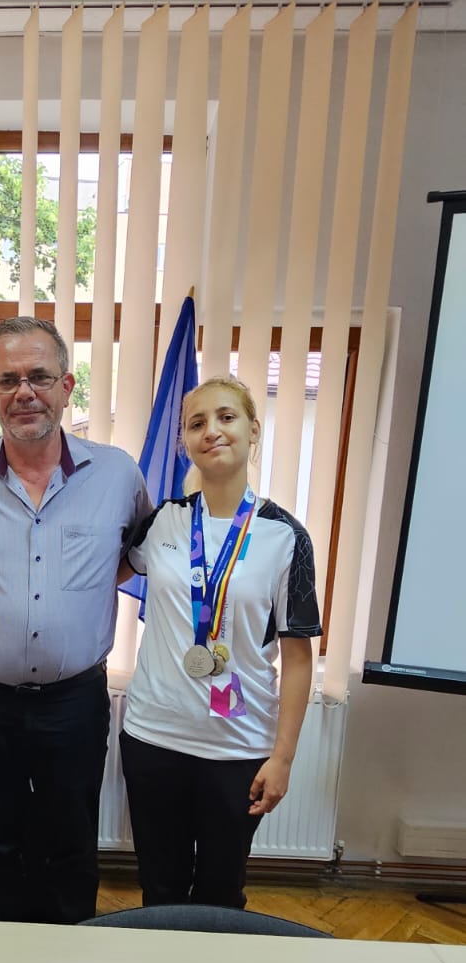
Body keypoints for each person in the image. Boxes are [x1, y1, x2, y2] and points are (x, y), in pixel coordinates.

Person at [0, 316, 150, 924]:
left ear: (67, 386)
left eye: (39, 377)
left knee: (70, 844)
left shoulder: (118, 474)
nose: (24, 392)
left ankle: (69, 958)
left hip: (74, 700)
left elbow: (133, 554)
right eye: (8, 380)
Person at [119, 376, 321, 909]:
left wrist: (283, 758)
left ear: (253, 430)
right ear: (185, 441)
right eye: (197, 423)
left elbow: (298, 659)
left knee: (220, 894)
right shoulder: (162, 521)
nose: (212, 431)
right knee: (160, 891)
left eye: (226, 417)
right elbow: (103, 572)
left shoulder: (286, 537)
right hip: (154, 739)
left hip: (238, 749)